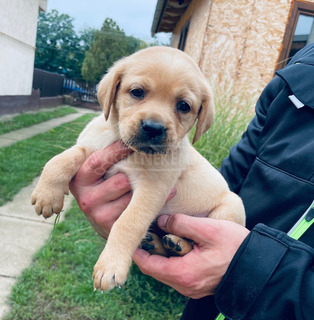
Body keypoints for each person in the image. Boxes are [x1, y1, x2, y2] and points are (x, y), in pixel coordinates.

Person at [69, 43, 314, 319]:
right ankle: (175, 243)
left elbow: (221, 196)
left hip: (257, 277)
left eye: (182, 106)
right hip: (206, 308)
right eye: (138, 92)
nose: (155, 121)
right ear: (111, 92)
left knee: (230, 204)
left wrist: (247, 269)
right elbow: (239, 168)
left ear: (199, 118)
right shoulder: (305, 60)